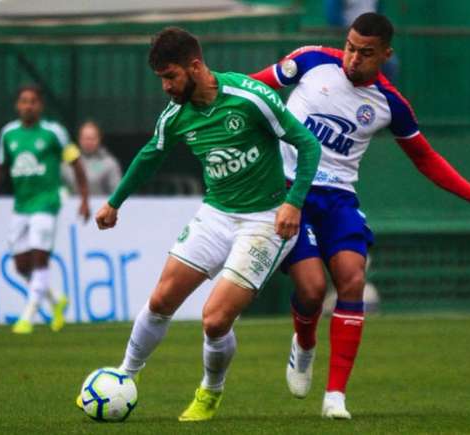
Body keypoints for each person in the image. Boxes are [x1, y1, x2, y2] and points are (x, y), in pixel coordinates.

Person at [250, 12, 470, 419]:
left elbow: (425, 158)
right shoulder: (310, 61)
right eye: (350, 47)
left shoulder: (390, 103)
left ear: (386, 55)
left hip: (338, 197)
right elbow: (252, 89)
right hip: (290, 190)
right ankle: (304, 345)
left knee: (353, 278)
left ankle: (335, 396)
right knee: (311, 289)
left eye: (366, 53)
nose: (353, 58)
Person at [79, 27, 321, 422]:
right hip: (216, 214)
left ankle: (210, 391)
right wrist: (114, 202)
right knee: (160, 300)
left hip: (263, 220)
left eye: (170, 76)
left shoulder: (249, 97)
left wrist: (293, 203)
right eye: (161, 78)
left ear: (195, 66)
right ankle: (124, 375)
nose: (166, 87)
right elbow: (148, 156)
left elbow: (307, 144)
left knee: (214, 319)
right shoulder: (176, 115)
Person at [0, 85, 90, 334]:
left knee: (40, 259)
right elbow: (1, 166)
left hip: (46, 203)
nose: (28, 105)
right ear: (18, 105)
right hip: (21, 205)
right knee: (21, 265)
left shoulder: (54, 132)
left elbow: (76, 162)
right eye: (24, 101)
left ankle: (28, 316)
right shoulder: (8, 134)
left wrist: (84, 198)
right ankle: (56, 300)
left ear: (40, 106)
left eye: (33, 101)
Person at [61, 120, 122, 195]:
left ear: (99, 139)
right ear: (79, 139)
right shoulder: (67, 163)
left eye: (92, 138)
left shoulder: (110, 163)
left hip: (101, 206)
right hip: (71, 206)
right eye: (85, 138)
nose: (88, 142)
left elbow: (117, 192)